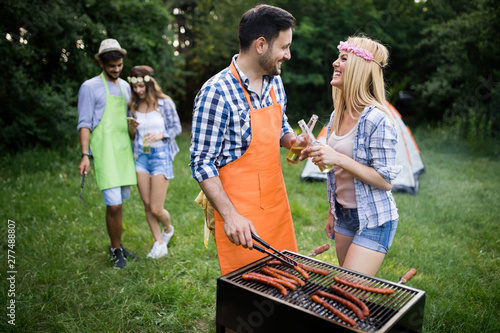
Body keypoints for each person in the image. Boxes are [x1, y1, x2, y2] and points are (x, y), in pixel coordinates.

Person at [190, 4, 299, 275]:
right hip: (241, 216)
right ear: (261, 44)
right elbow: (201, 162)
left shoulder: (275, 81)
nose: (288, 55)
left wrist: (295, 142)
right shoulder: (216, 92)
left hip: (276, 206)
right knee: (248, 296)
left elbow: (281, 125)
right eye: (284, 47)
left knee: (286, 281)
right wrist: (231, 216)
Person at [302, 36, 402, 276]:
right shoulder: (339, 112)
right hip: (344, 216)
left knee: (348, 290)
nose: (335, 63)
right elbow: (338, 173)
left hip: (374, 220)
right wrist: (332, 212)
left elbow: (385, 180)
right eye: (337, 57)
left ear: (360, 67)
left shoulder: (378, 119)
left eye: (343, 58)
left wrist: (337, 158)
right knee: (349, 291)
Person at [78, 38, 137, 269]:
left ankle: (118, 245)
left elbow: (125, 120)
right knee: (113, 205)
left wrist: (133, 129)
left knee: (119, 203)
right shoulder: (89, 86)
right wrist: (85, 155)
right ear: (101, 63)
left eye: (119, 65)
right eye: (112, 65)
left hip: (123, 150)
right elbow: (84, 123)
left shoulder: (125, 87)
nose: (116, 69)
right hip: (103, 152)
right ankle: (115, 250)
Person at [127, 65, 181, 259]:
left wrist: (161, 134)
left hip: (160, 156)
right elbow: (132, 136)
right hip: (141, 156)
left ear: (149, 84)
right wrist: (132, 128)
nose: (138, 91)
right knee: (147, 204)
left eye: (141, 86)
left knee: (156, 208)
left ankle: (168, 229)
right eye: (135, 87)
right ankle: (159, 243)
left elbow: (177, 127)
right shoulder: (133, 105)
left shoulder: (164, 103)